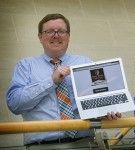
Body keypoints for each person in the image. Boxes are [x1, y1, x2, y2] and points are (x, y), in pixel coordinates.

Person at [6, 13, 121, 146]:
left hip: (84, 143)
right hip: (42, 146)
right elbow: (15, 105)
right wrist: (51, 82)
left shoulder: (84, 63)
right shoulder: (25, 66)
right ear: (40, 37)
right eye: (49, 31)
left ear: (68, 36)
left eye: (61, 31)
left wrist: (105, 112)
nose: (56, 35)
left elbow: (96, 102)